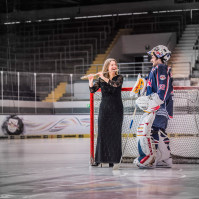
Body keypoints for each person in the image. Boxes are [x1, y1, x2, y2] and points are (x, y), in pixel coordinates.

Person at [133, 45, 173, 168]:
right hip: (156, 106)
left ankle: (155, 159)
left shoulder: (161, 68)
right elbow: (148, 82)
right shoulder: (155, 70)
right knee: (158, 131)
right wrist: (140, 84)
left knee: (156, 131)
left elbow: (163, 90)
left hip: (160, 107)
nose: (151, 59)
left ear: (159, 55)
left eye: (152, 56)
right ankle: (164, 158)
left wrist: (156, 101)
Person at [88, 58, 123, 167]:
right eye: (112, 64)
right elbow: (92, 90)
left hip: (116, 109)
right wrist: (90, 81)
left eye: (115, 64)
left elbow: (115, 85)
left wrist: (102, 77)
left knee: (114, 134)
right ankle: (99, 160)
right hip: (105, 109)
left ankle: (113, 160)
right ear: (107, 67)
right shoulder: (101, 80)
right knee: (102, 134)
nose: (114, 66)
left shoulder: (119, 78)